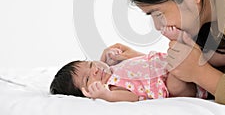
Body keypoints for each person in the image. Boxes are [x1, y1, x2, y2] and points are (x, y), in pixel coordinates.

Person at [49, 46, 201, 101]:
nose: (95, 69)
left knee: (179, 52)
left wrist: (116, 57)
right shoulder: (112, 87)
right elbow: (132, 97)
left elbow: (141, 61)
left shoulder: (114, 68)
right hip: (170, 85)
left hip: (166, 63)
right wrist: (106, 95)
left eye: (90, 64)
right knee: (176, 79)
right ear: (87, 92)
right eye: (88, 78)